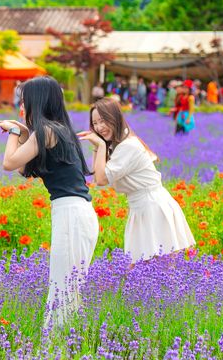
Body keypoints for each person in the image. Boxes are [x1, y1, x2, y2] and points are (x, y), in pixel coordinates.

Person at [0, 76, 98, 330]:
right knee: (67, 285)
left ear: (37, 102)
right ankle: (66, 343)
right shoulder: (57, 130)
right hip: (73, 211)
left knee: (64, 285)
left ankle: (57, 346)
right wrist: (23, 133)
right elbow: (24, 168)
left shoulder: (47, 131)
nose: (21, 107)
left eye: (24, 101)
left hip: (71, 213)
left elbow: (9, 163)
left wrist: (15, 131)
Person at [79, 99, 195, 262]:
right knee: (146, 273)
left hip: (152, 208)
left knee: (157, 271)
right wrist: (98, 146)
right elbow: (99, 176)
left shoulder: (128, 146)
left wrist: (99, 145)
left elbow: (101, 179)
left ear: (115, 118)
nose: (99, 127)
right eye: (95, 123)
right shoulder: (118, 145)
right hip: (142, 208)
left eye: (103, 121)